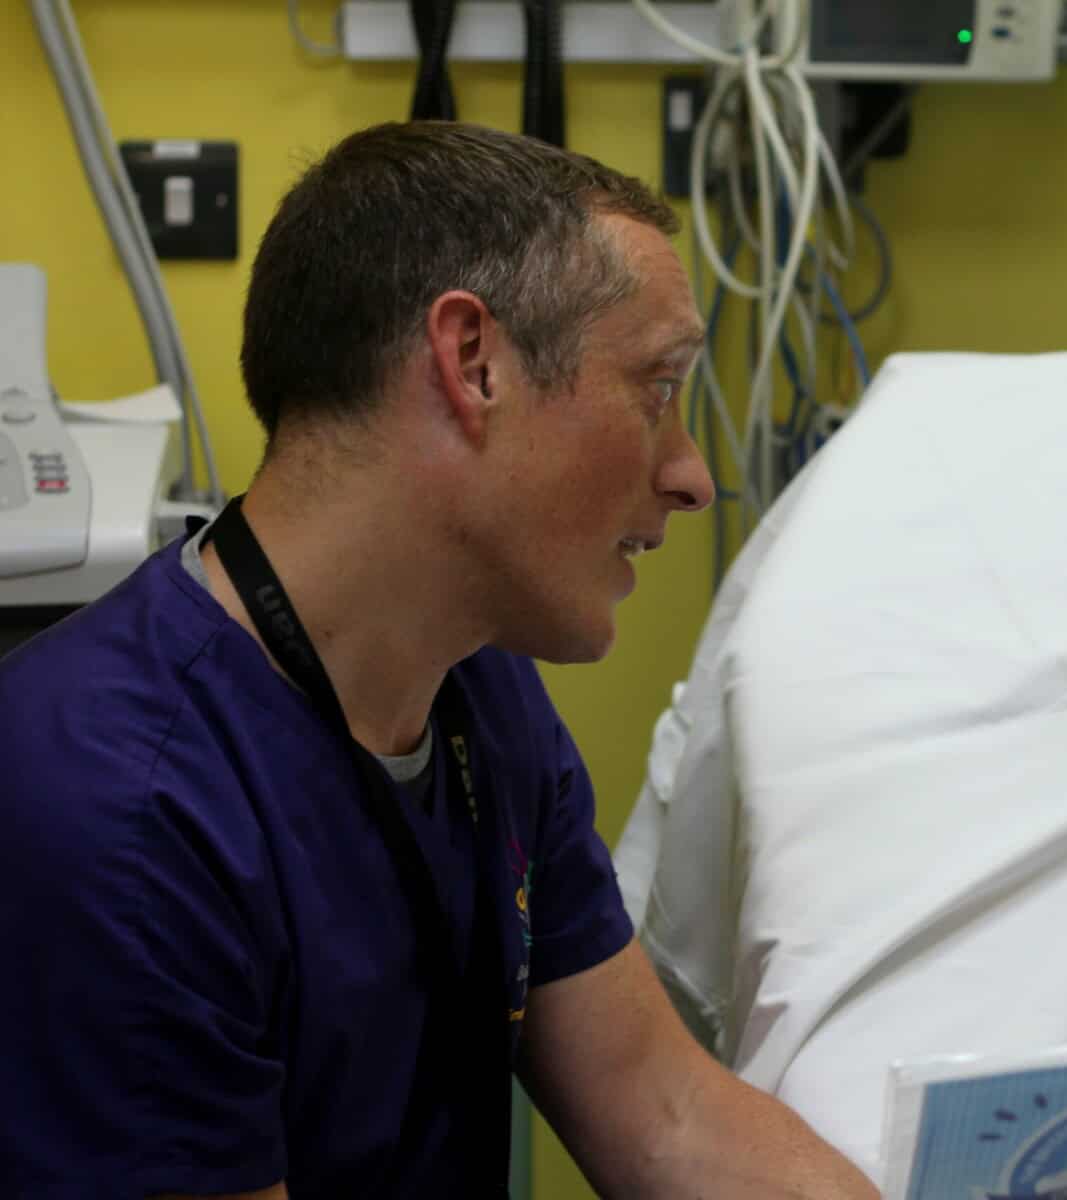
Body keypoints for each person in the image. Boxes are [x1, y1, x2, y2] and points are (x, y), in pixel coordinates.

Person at [0, 121, 876, 1199]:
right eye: (657, 387)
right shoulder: (122, 815)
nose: (692, 475)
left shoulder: (478, 693)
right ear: (472, 365)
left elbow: (667, 1113)